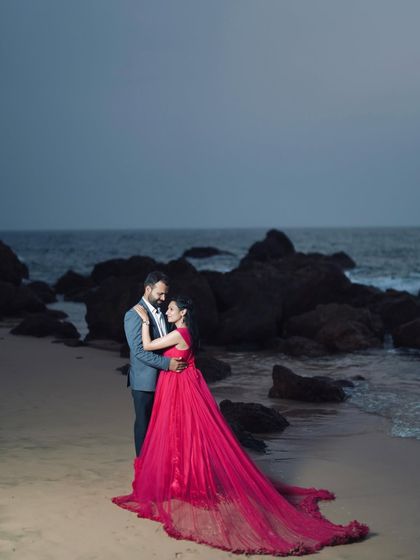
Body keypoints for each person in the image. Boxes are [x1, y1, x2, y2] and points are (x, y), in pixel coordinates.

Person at [113, 296, 368, 555]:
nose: (167, 311)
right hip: (182, 385)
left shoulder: (180, 334)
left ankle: (187, 482)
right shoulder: (185, 332)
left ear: (183, 313)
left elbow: (146, 345)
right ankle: (185, 479)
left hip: (180, 387)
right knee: (186, 432)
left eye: (171, 309)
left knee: (186, 431)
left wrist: (144, 321)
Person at [124, 271, 186, 456]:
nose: (163, 298)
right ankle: (143, 469)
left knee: (163, 428)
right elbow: (139, 351)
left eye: (166, 294)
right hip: (145, 382)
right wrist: (168, 364)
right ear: (148, 289)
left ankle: (159, 466)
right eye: (160, 294)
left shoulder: (164, 313)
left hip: (165, 381)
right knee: (144, 426)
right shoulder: (133, 315)